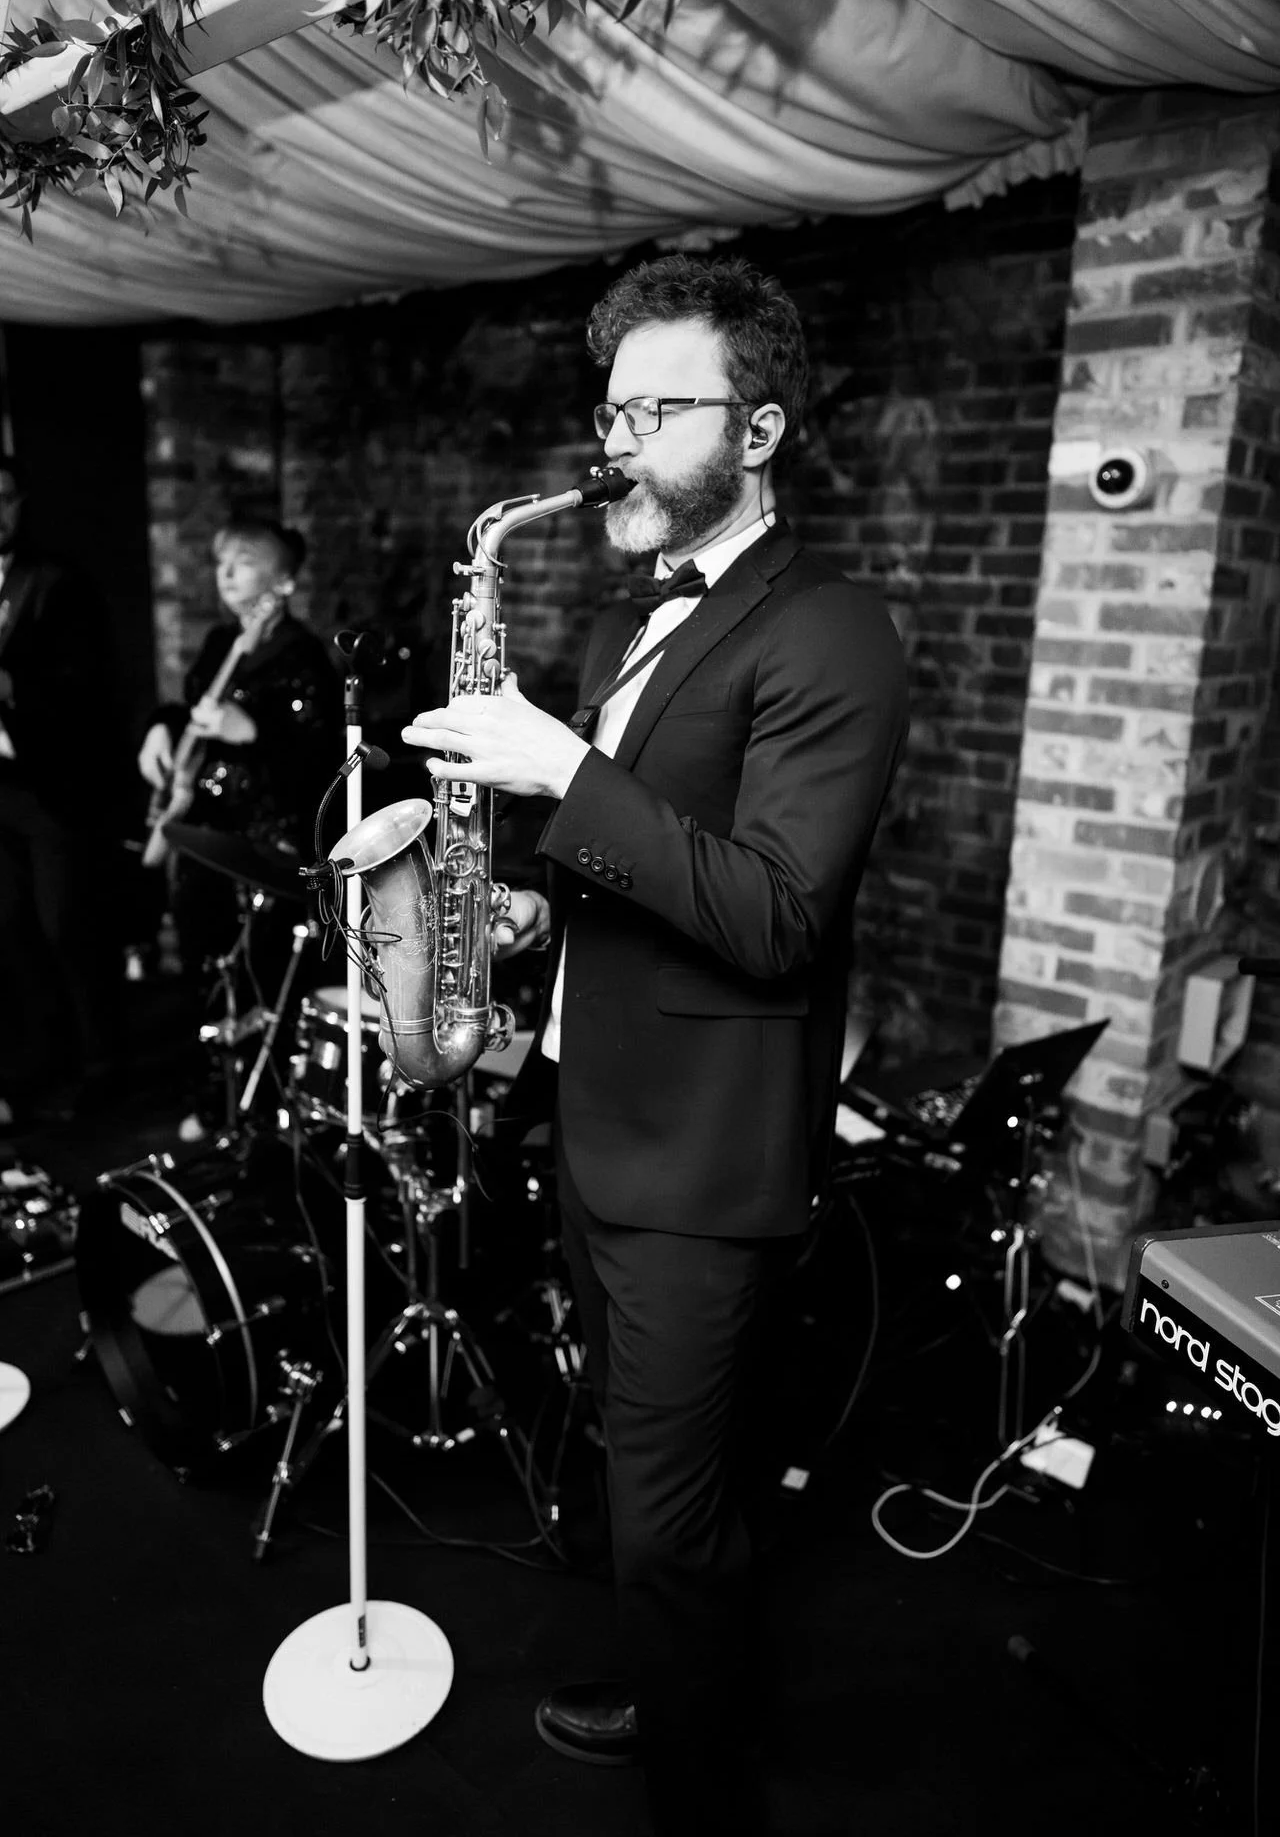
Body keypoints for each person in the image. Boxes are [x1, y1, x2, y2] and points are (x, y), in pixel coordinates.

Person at [403, 255, 909, 1837]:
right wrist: (536, 922)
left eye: (654, 411)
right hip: (606, 1122)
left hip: (700, 1167)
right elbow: (653, 868)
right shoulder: (650, 625)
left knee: (674, 1522)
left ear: (757, 430)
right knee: (646, 1490)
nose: (610, 443)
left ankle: (700, 1791)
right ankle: (675, 1689)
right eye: (607, 411)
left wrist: (559, 763)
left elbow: (773, 918)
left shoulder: (831, 628)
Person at [137, 520, 341, 1117]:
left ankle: (262, 1107)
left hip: (265, 848)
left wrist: (253, 733)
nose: (225, 573)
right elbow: (192, 705)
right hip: (207, 835)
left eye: (244, 561)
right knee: (206, 967)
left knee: (258, 975)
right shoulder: (224, 640)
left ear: (282, 580)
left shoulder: (303, 658)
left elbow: (322, 762)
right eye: (221, 560)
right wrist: (159, 724)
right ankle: (215, 1092)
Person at [0, 450, 128, 1127]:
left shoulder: (55, 582)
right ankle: (39, 1055)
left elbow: (88, 689)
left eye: (4, 497)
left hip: (54, 786)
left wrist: (14, 688)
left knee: (68, 927)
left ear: (20, 504)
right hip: (1, 787)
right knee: (11, 927)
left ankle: (103, 1066)